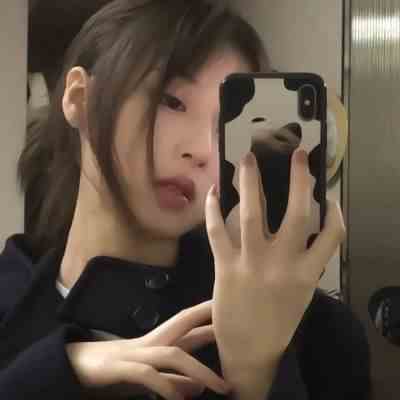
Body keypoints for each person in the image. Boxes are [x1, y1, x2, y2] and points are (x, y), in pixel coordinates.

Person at [0, 1, 370, 399]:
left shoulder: (320, 335)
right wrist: (60, 369)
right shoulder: (10, 306)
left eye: (226, 127)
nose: (203, 150)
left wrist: (254, 372)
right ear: (80, 98)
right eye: (172, 101)